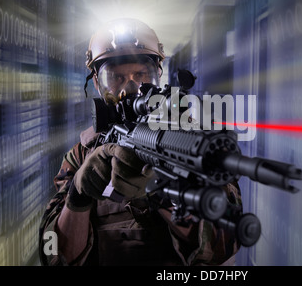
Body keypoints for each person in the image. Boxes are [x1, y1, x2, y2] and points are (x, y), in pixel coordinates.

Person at [38, 18, 242, 266]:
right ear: (97, 83)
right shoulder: (82, 154)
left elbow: (225, 244)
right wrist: (78, 195)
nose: (131, 87)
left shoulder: (192, 139)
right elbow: (54, 256)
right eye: (115, 77)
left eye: (141, 74)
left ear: (157, 75)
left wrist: (167, 187)